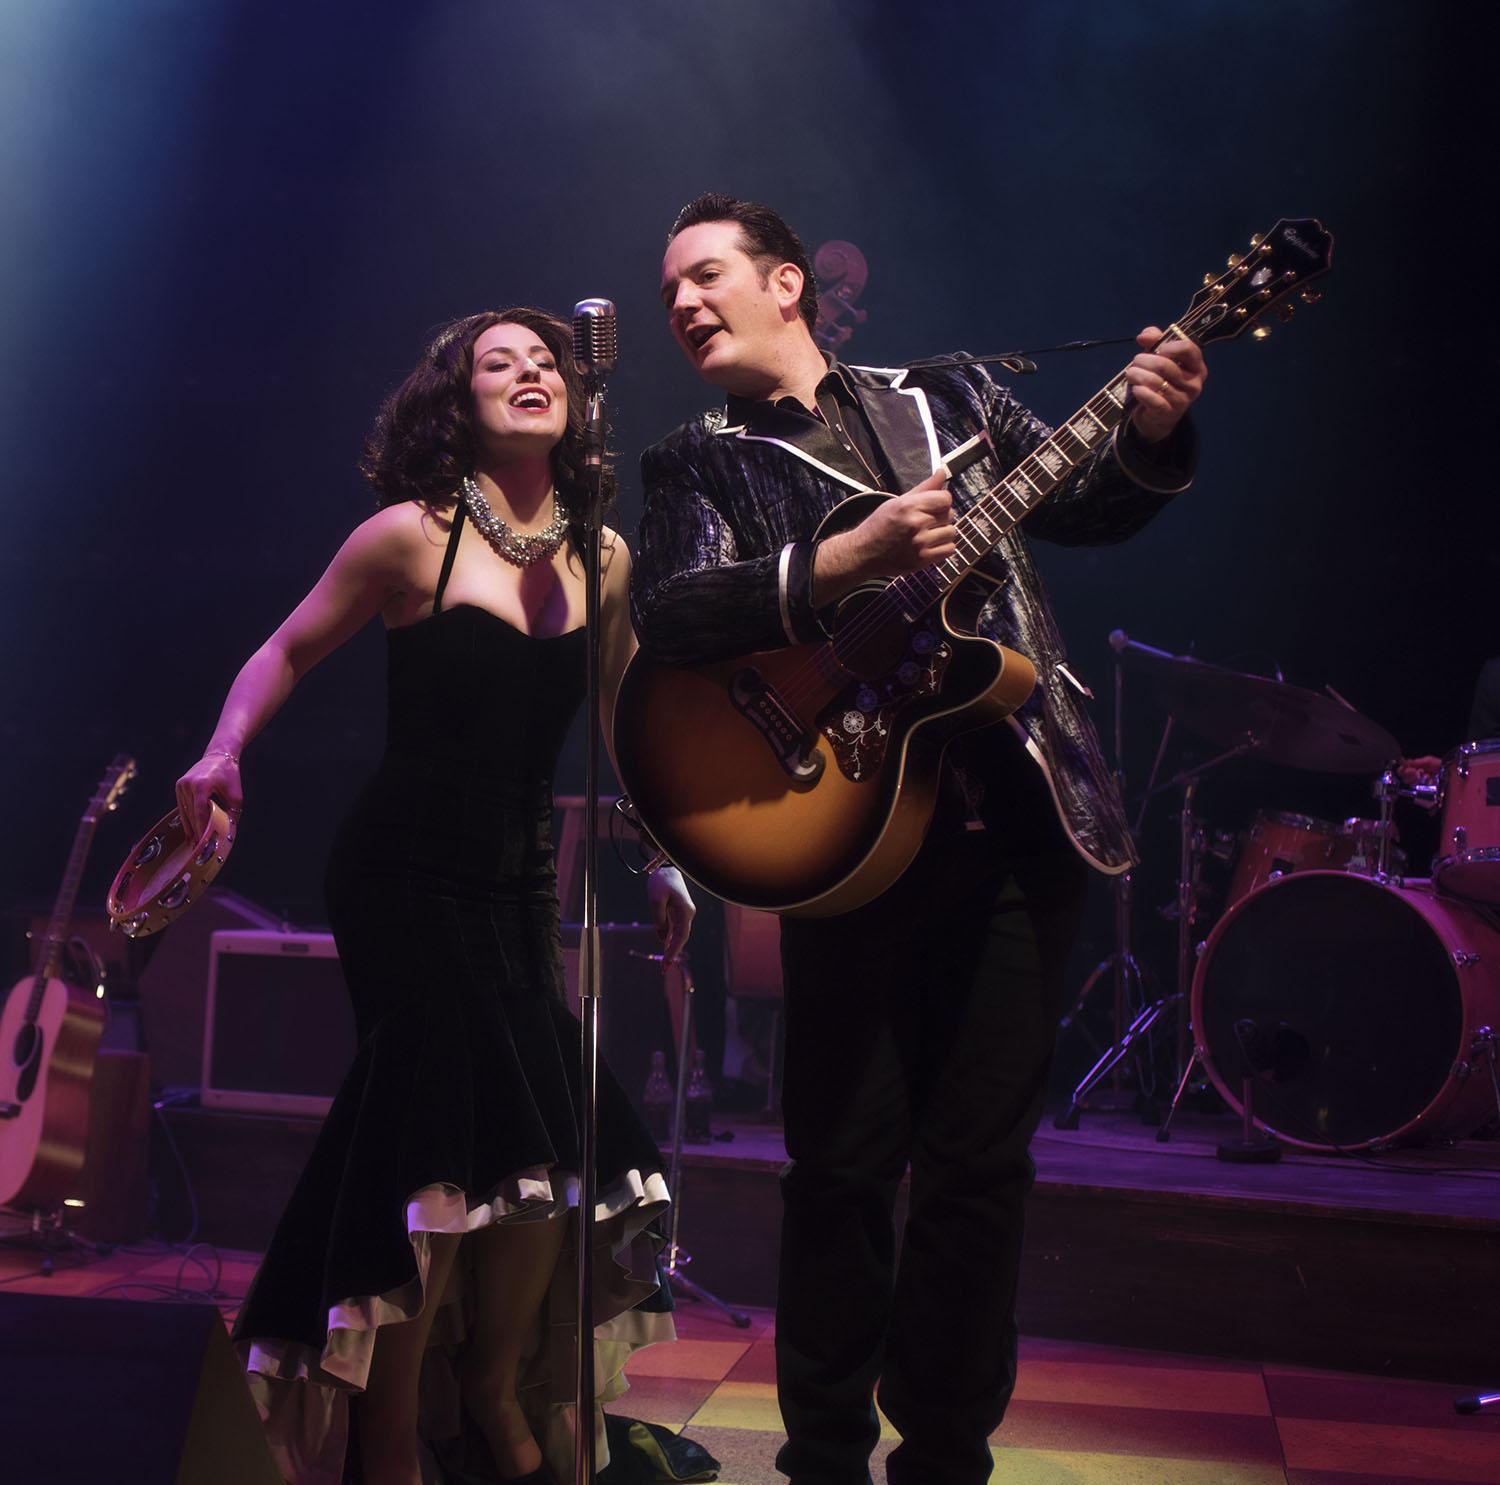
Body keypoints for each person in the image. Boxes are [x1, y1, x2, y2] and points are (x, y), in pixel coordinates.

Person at [630, 194, 1205, 1485]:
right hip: (843, 840)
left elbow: (1088, 504)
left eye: (704, 275)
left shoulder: (946, 398)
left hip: (1020, 827)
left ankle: (947, 1456)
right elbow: (673, 613)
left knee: (980, 1172)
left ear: (788, 284)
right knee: (840, 1169)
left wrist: (1153, 432)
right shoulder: (697, 461)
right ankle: (824, 1457)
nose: (680, 303)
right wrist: (844, 560)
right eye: (668, 289)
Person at [176, 307, 695, 1485]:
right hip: (402, 873)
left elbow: (627, 721)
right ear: (458, 403)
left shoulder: (607, 555)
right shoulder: (411, 536)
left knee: (542, 1141)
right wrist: (222, 750)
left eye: (545, 361)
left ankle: (492, 1387)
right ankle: (388, 1427)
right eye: (498, 363)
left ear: (575, 397)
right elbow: (286, 649)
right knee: (441, 1138)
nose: (530, 373)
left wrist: (662, 854)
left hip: (518, 885)